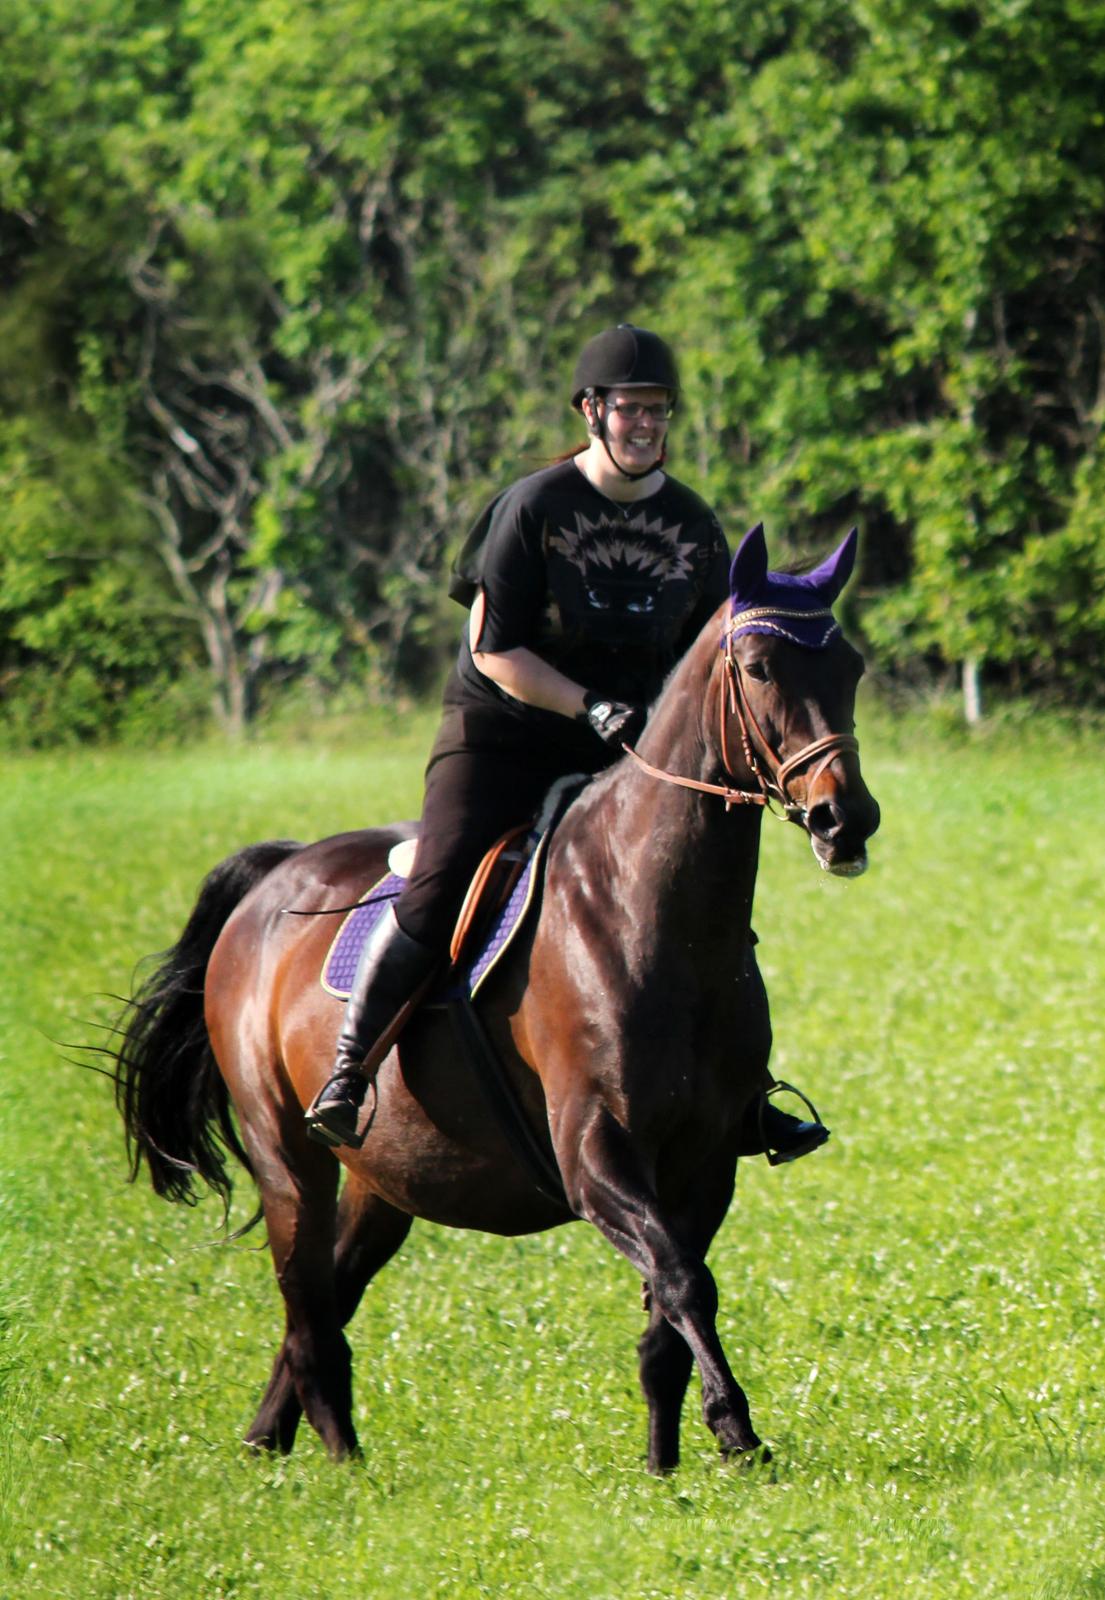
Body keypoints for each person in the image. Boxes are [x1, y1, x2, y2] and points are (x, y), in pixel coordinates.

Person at [305, 324, 829, 1166]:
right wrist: (588, 707)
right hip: (502, 734)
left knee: (699, 896)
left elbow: (708, 662)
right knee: (440, 883)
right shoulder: (532, 508)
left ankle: (742, 1093)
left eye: (658, 410)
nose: (646, 425)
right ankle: (348, 1066)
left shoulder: (693, 524)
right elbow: (492, 648)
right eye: (631, 409)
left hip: (625, 746)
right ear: (592, 411)